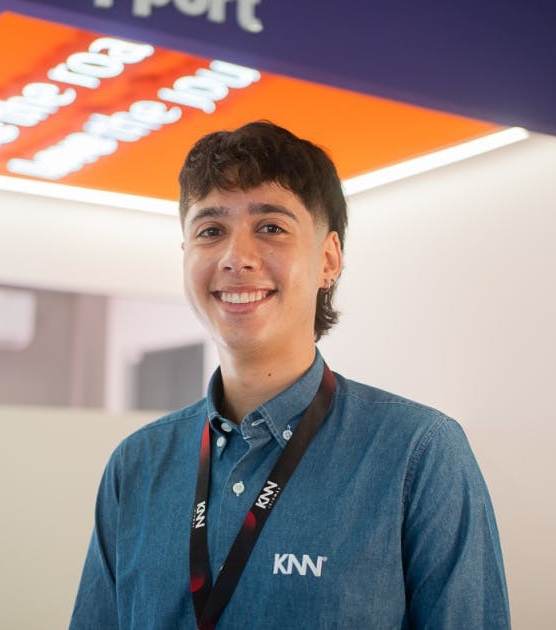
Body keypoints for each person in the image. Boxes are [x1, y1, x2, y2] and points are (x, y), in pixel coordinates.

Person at [69, 121, 510, 629]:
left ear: (328, 259)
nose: (236, 257)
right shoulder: (137, 465)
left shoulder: (419, 454)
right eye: (211, 231)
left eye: (271, 227)